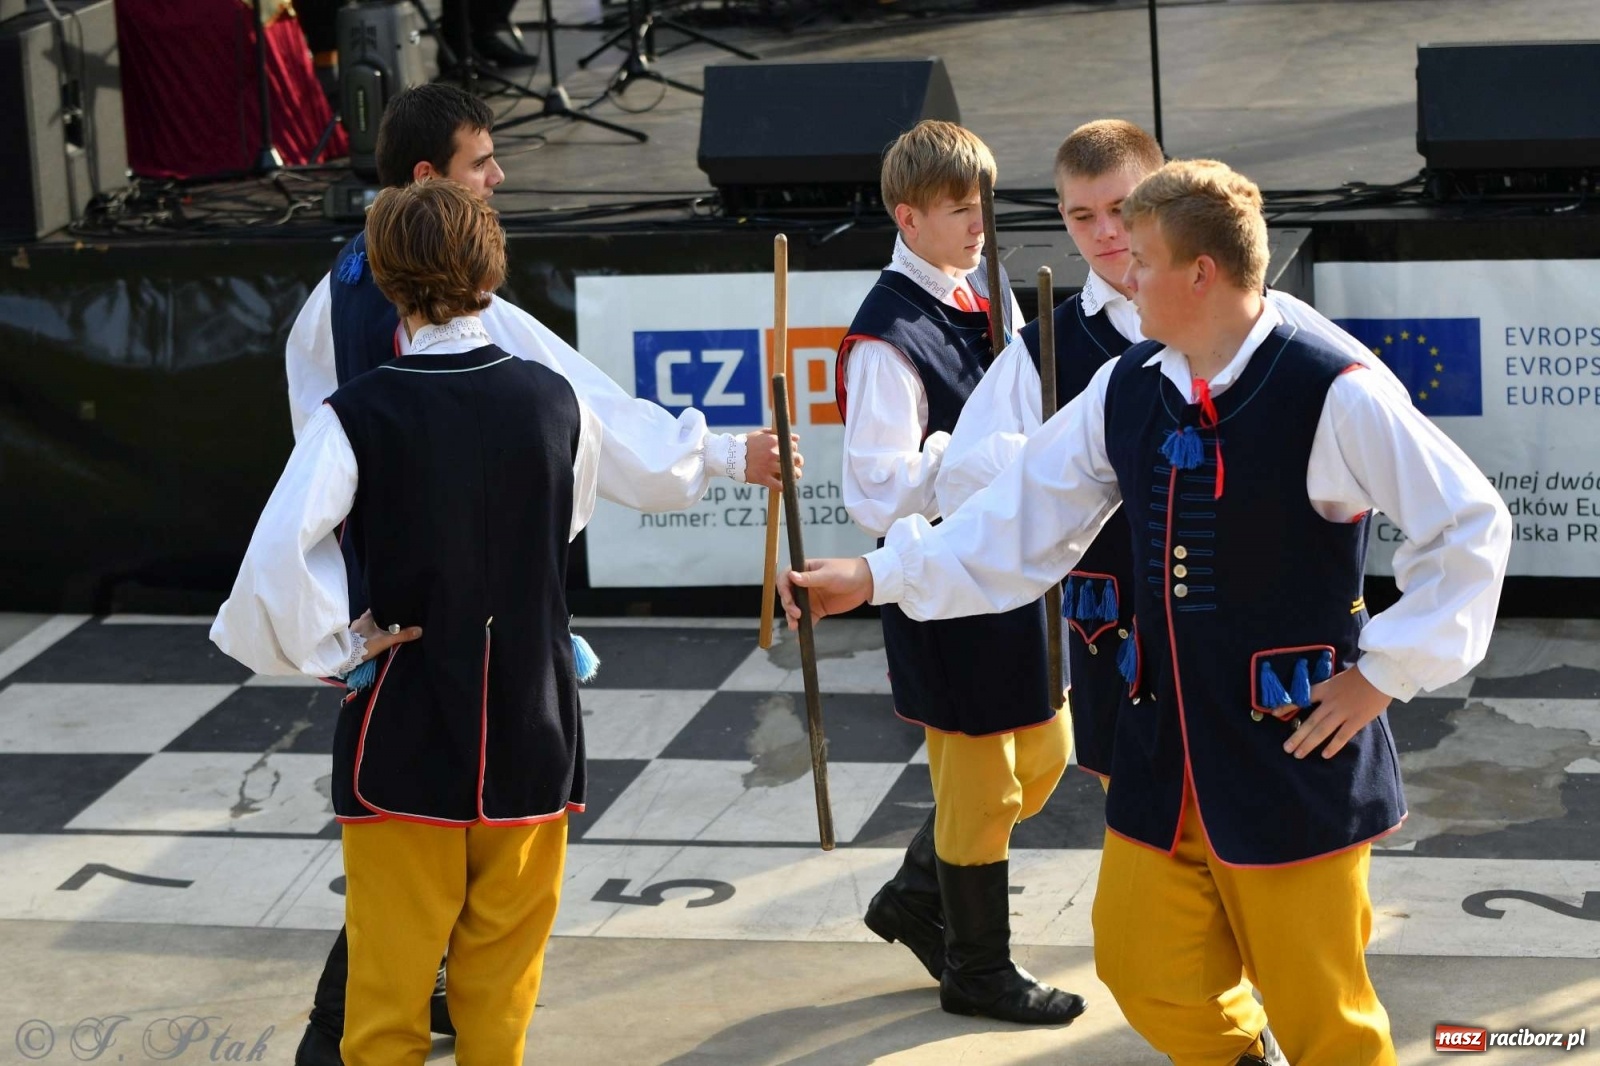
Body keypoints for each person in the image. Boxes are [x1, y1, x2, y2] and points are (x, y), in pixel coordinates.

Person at [783, 159, 1512, 1065]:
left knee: (1324, 1016)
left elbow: (1471, 523)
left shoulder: (1333, 388)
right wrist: (877, 572)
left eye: (1145, 258)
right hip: (1161, 755)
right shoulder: (1129, 384)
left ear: (1201, 273)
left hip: (1293, 758)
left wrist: (1383, 674)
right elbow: (1020, 517)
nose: (1123, 272)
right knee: (1142, 971)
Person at [283, 83, 800, 1065]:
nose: (502, 177)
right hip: (477, 655)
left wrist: (336, 630)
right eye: (485, 162)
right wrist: (729, 455)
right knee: (444, 857)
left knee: (412, 848)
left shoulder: (330, 301)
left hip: (401, 641)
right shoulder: (471, 322)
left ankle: (362, 1030)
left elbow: (302, 499)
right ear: (433, 181)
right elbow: (592, 424)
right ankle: (354, 1031)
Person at [212, 179, 601, 1065]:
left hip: (409, 727)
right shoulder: (557, 400)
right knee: (501, 998)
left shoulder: (356, 414)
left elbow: (272, 568)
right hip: (536, 727)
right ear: (490, 275)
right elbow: (561, 525)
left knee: (387, 997)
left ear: (387, 281)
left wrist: (341, 645)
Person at [937, 119, 1411, 790]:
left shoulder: (1287, 338)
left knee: (1280, 845)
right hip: (1122, 660)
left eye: (1121, 211)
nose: (1105, 233)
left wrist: (1386, 670)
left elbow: (1412, 473)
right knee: (1143, 836)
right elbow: (965, 481)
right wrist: (1048, 463)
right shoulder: (1047, 351)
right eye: (1082, 216)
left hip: (1269, 671)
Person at [836, 118, 1085, 1026]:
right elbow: (873, 492)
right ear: (908, 217)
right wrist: (967, 459)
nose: (980, 223)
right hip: (942, 581)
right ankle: (978, 969)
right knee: (983, 790)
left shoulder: (987, 293)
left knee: (1047, 756)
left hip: (1013, 566)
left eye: (983, 203)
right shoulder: (887, 338)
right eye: (956, 209)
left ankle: (915, 894)